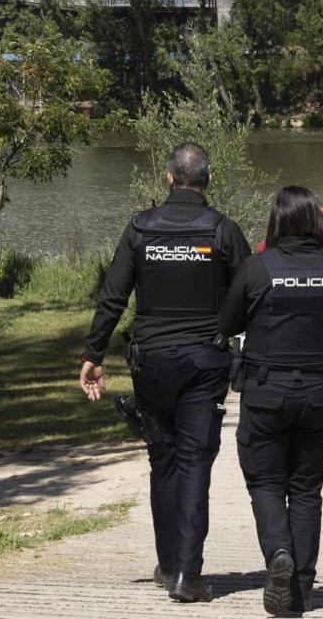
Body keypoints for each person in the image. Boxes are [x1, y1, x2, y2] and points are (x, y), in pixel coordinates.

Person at [78, 142, 250, 604]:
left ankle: (170, 562)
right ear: (207, 180)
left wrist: (93, 355)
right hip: (204, 364)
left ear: (170, 179)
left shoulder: (139, 229)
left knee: (164, 459)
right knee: (194, 463)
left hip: (150, 364)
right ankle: (187, 574)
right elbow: (252, 296)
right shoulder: (223, 230)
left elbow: (112, 296)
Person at [219, 187, 323, 616]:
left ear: (277, 221)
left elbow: (227, 323)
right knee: (306, 488)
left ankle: (278, 552)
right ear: (316, 222)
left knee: (265, 482)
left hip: (266, 391)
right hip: (320, 394)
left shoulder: (257, 268)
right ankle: (301, 589)